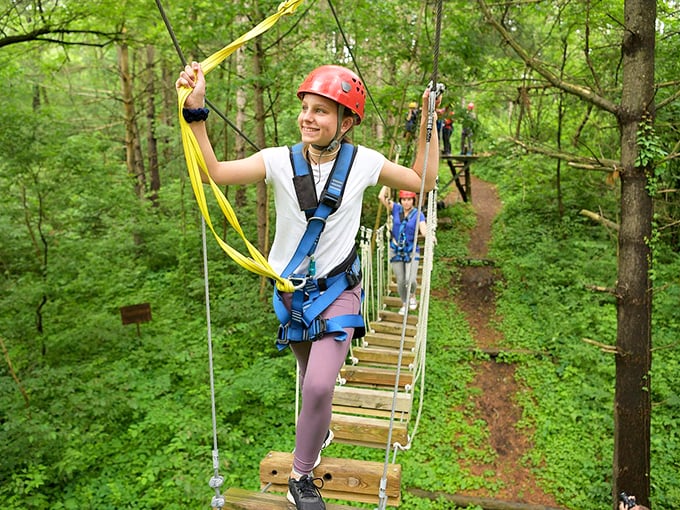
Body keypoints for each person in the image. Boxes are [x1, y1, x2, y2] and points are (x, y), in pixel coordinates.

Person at [176, 62, 439, 510]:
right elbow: (213, 173)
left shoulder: (364, 163)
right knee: (309, 380)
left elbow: (422, 181)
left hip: (340, 291)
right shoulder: (278, 160)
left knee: (318, 387)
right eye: (304, 108)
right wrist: (196, 112)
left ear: (347, 121)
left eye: (321, 110)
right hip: (292, 294)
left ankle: (301, 476)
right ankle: (320, 429)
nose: (307, 117)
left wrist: (427, 128)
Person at [378, 188, 428, 315]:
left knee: (410, 280)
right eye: (404, 200)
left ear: (413, 201)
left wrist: (430, 236)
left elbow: (423, 229)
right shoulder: (396, 209)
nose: (406, 202)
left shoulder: (418, 214)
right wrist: (386, 182)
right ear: (401, 200)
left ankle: (412, 296)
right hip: (395, 249)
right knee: (400, 280)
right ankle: (405, 303)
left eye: (409, 200)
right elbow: (381, 197)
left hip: (411, 250)